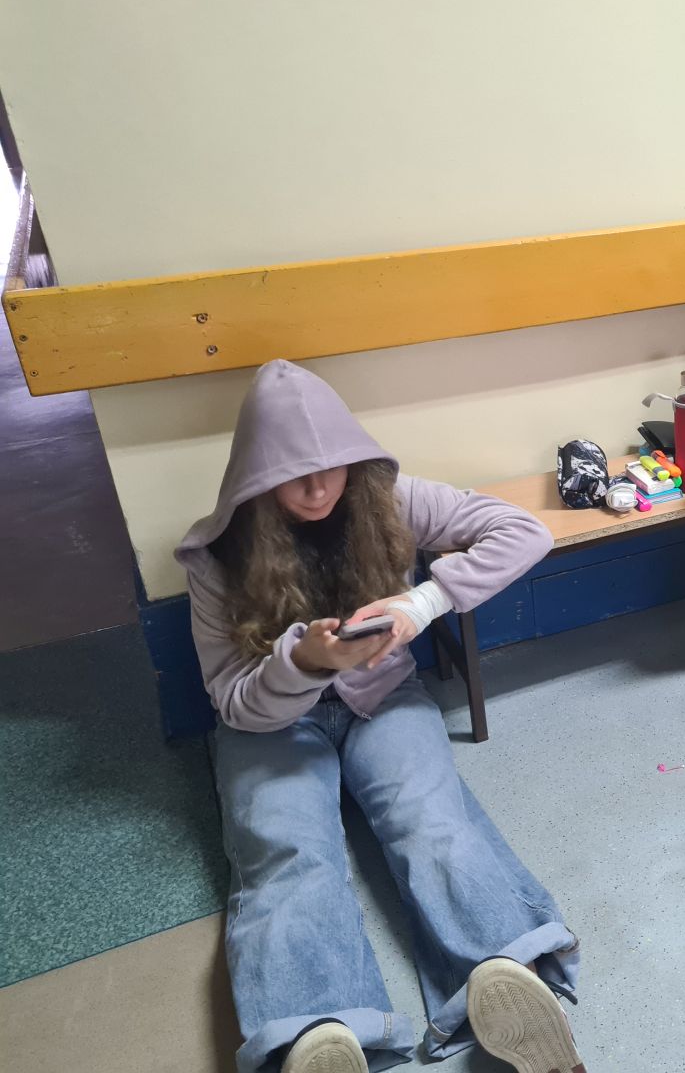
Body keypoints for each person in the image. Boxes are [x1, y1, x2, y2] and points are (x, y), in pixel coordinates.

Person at [175, 360, 585, 1073]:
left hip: (384, 699)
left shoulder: (386, 498)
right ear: (256, 474)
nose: (317, 488)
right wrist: (303, 663)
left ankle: (504, 976)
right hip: (270, 723)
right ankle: (315, 1032)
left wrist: (422, 603)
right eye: (294, 474)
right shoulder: (216, 556)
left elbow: (523, 531)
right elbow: (232, 699)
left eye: (331, 466)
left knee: (431, 821)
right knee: (288, 856)